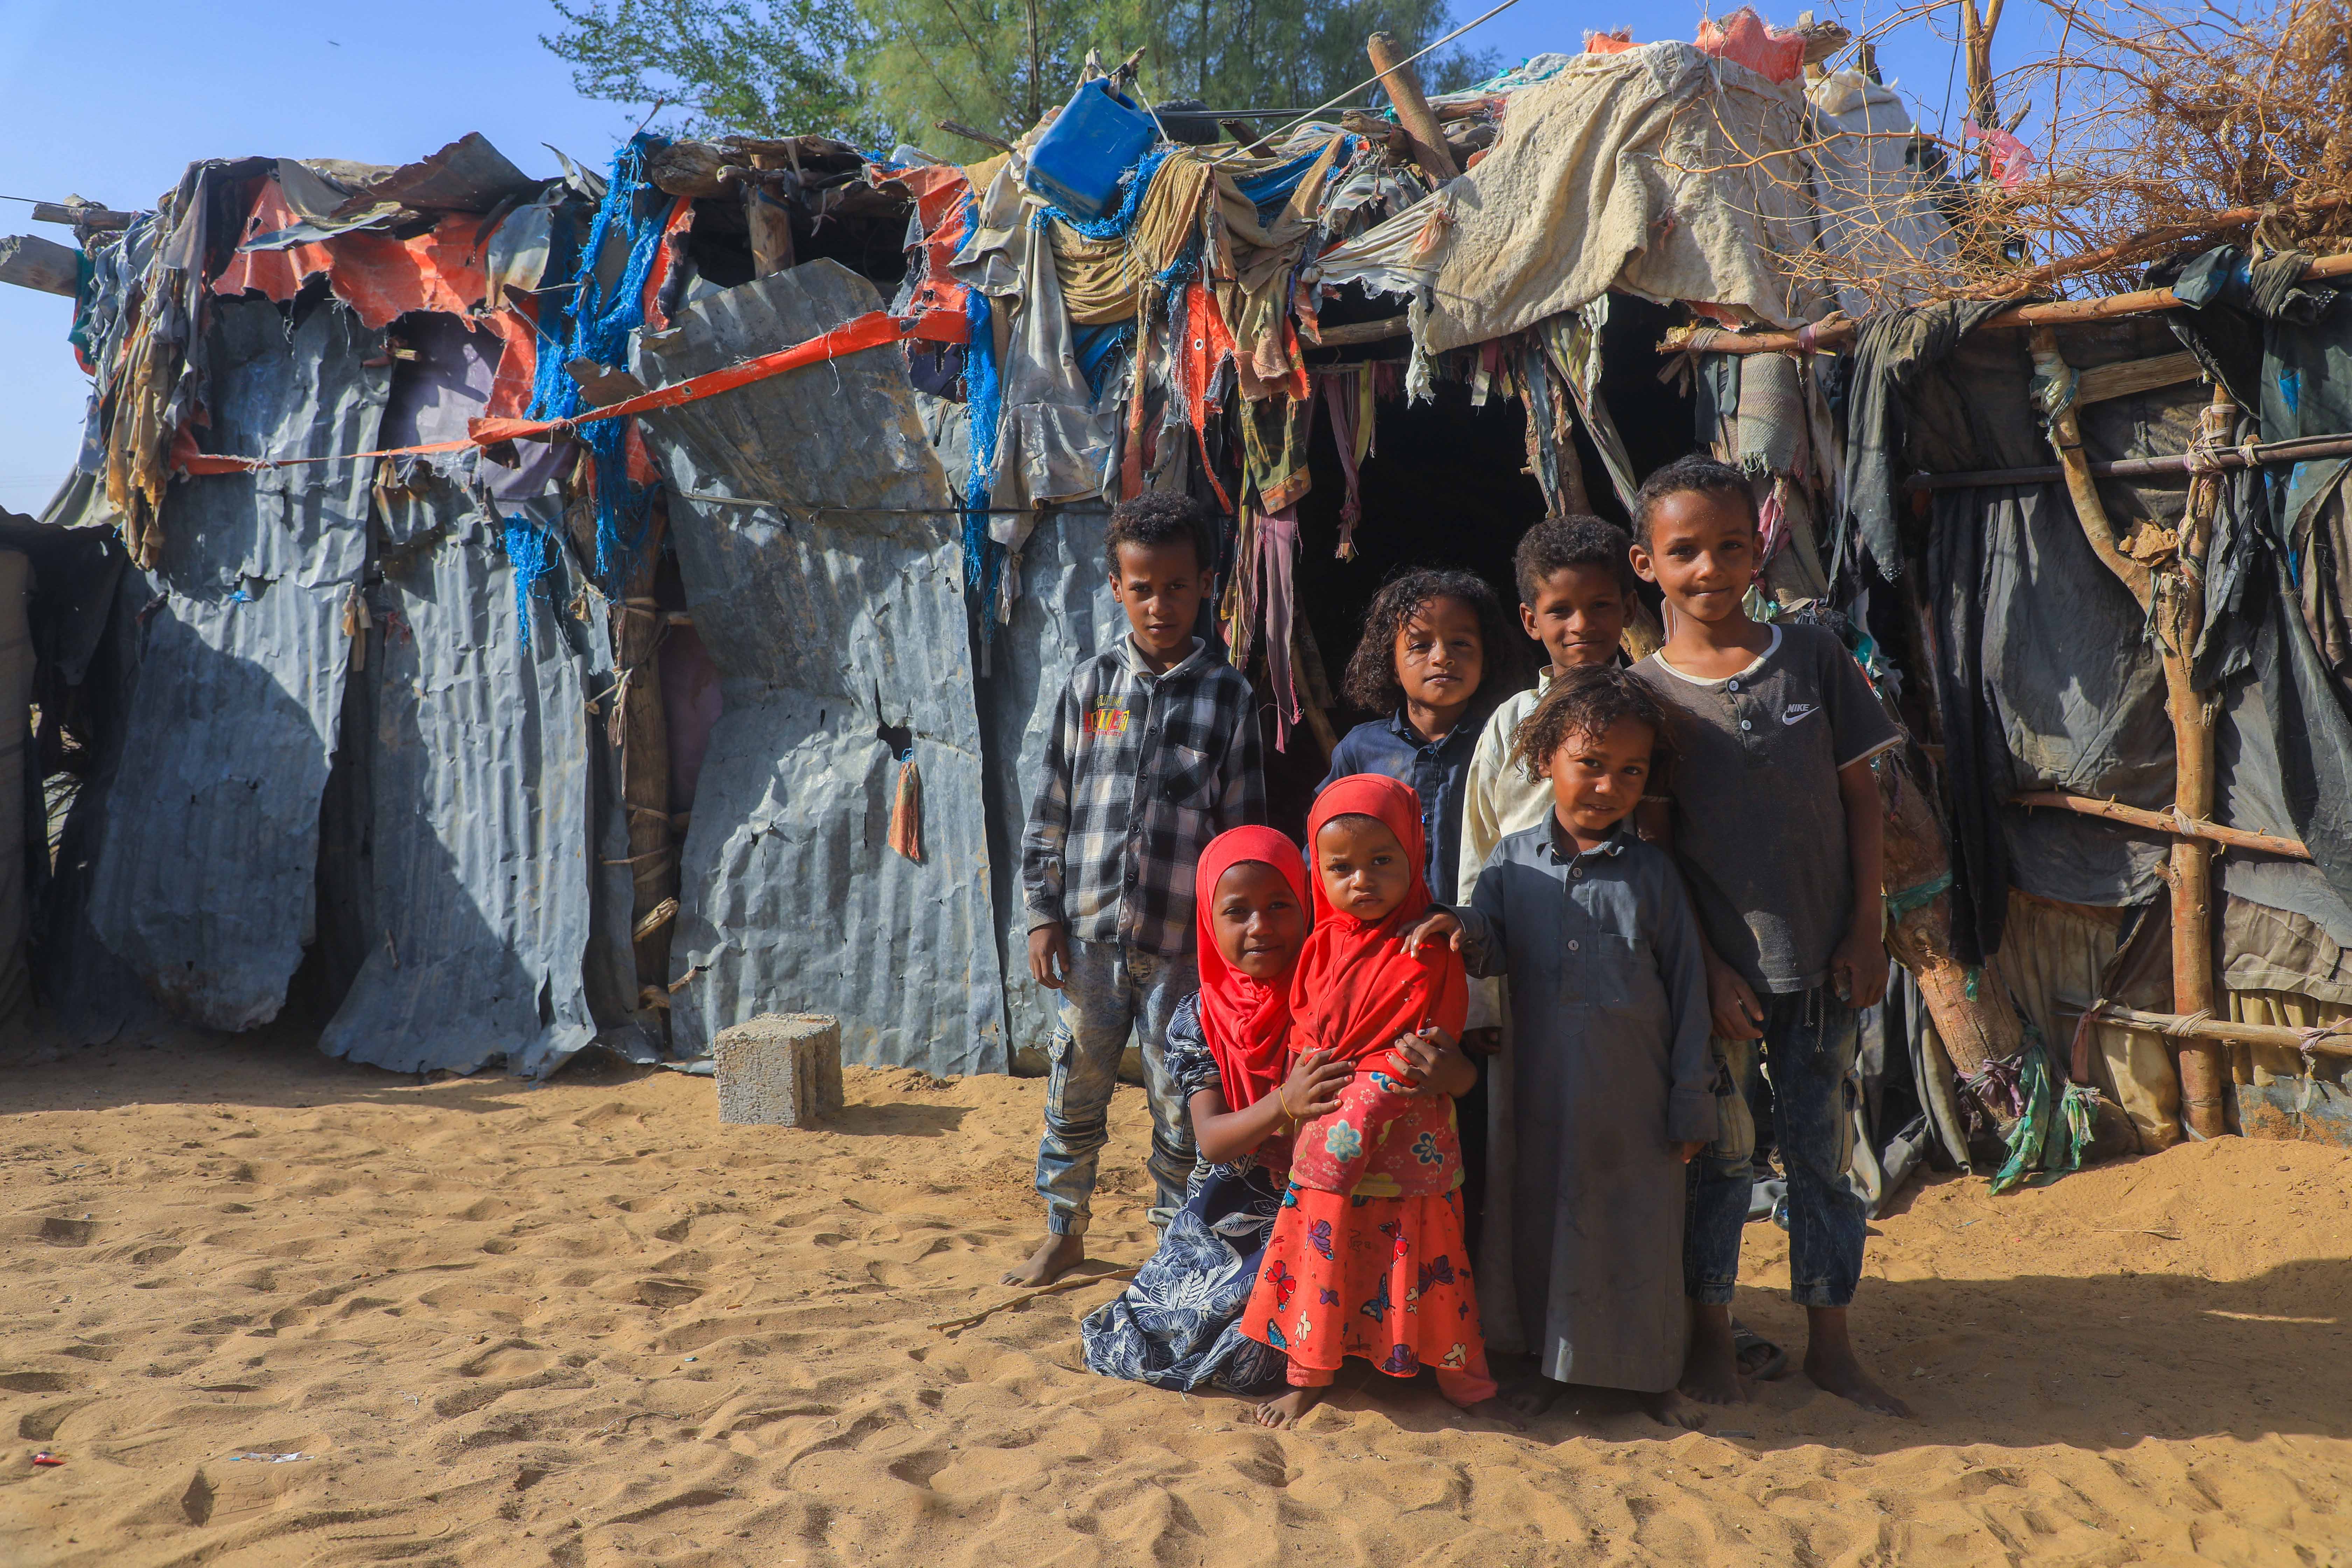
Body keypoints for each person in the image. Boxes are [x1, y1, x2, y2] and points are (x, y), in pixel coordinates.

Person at [1624, 454, 1911, 1418]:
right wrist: (1704, 973)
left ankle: (1832, 1343)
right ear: (1646, 563)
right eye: (1685, 551)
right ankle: (1711, 1344)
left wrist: (1867, 930)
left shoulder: (1813, 657)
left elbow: (1862, 801)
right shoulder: (1646, 698)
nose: (1709, 568)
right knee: (1724, 1163)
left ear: (1761, 550)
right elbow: (1657, 853)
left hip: (1829, 961)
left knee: (1824, 1158)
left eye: (1730, 547)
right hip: (1721, 989)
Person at [1407, 665, 1717, 1429]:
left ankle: (1650, 1380)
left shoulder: (1654, 874)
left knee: (1642, 1237)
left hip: (1636, 1100)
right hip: (1543, 1092)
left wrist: (1689, 1100)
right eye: (1591, 764)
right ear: (1545, 758)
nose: (1610, 785)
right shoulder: (1512, 862)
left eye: (1631, 771)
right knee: (1545, 1228)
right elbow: (1489, 937)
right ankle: (1550, 1368)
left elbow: (1688, 993)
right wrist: (1458, 926)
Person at [1013, 493, 1267, 1289]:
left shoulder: (1230, 697)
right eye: (1143, 586)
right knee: (1074, 1083)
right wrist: (1041, 914)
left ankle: (1173, 1238)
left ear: (1205, 588)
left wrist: (1234, 948)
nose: (1161, 604)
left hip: (1183, 949)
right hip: (1088, 936)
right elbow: (1050, 809)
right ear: (1116, 587)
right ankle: (1065, 1227)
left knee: (1178, 1096)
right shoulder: (1088, 687)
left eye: (1178, 586)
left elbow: (1243, 839)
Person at [1237, 775, 1504, 1429]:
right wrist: (1315, 1073)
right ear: (1317, 873)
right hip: (1333, 1122)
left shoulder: (1430, 944)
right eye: (1341, 867)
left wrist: (1358, 1109)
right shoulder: (1320, 946)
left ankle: (1461, 1383)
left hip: (1404, 1132)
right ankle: (1312, 1373)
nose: (1362, 880)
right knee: (1326, 1247)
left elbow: (1428, 1038)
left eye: (1382, 861)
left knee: (1430, 1256)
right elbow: (1305, 1026)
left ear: (1415, 852)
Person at [1081, 828, 1352, 1393]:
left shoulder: (1336, 995)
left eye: (1280, 905)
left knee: (1254, 1352)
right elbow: (1212, 1140)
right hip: (1237, 1192)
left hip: (1330, 1198)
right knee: (1164, 1328)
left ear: (1308, 905)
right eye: (1238, 911)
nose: (1261, 926)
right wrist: (1285, 1102)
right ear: (1208, 921)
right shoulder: (1199, 1016)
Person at [1320, 567, 1520, 1250]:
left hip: (1476, 970)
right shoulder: (1361, 750)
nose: (1443, 657)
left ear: (1489, 654)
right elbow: (1327, 859)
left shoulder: (1505, 745)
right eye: (1422, 643)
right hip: (1382, 981)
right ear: (1390, 656)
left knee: (1475, 1129)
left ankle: (1466, 1290)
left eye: (1462, 643)